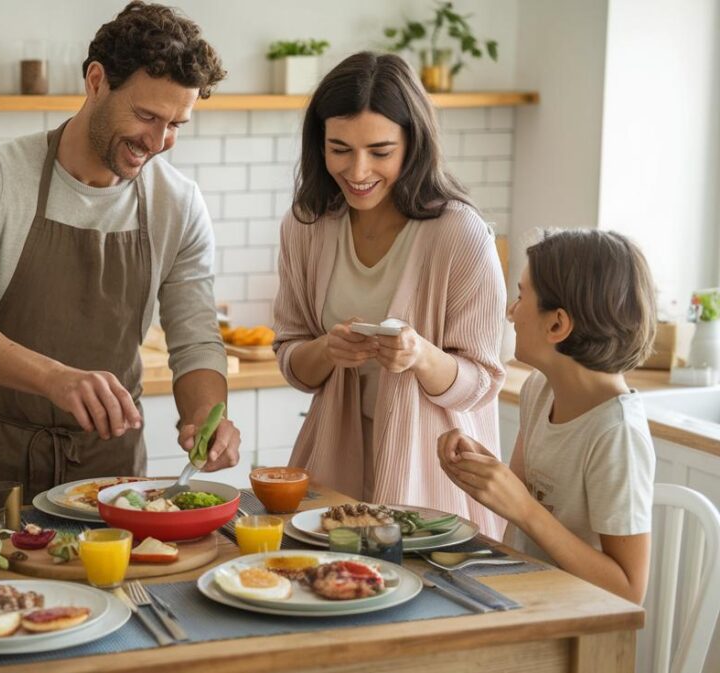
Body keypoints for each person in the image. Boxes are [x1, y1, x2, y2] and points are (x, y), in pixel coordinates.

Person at [0, 1, 241, 511]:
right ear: (96, 81)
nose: (157, 142)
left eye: (177, 124)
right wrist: (54, 378)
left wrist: (205, 416)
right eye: (147, 115)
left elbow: (196, 338)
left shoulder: (177, 204)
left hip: (110, 475)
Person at [272, 51, 506, 537]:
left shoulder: (460, 235)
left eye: (380, 152)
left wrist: (420, 355)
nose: (357, 171)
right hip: (335, 463)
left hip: (431, 469)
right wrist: (326, 350)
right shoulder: (308, 225)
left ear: (413, 144)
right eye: (339, 149)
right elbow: (292, 358)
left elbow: (483, 381)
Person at [439, 230, 656, 603]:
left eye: (522, 296)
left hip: (574, 631)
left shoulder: (617, 433)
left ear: (557, 324)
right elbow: (527, 496)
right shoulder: (540, 389)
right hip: (522, 599)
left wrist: (522, 508)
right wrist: (483, 470)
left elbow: (629, 590)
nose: (511, 311)